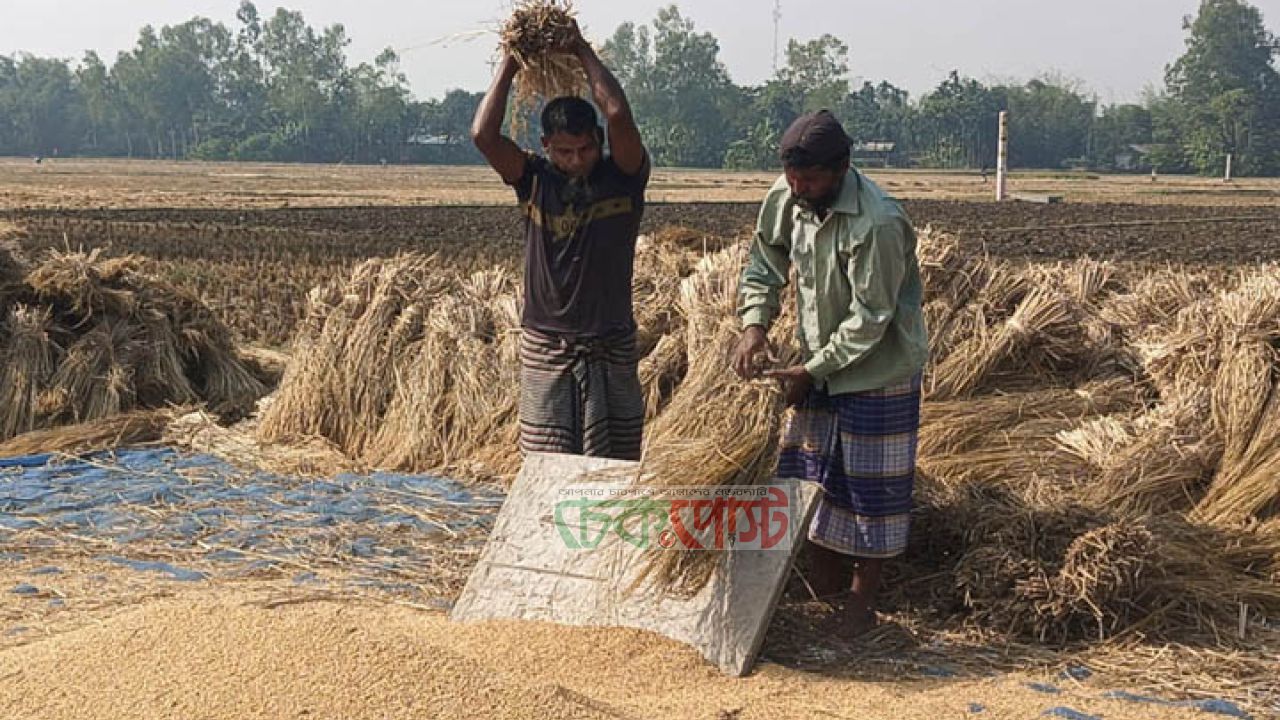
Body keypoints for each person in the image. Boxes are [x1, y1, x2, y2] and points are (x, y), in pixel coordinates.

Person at [731, 110, 928, 634]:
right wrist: (755, 323)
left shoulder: (878, 223)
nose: (800, 189)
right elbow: (766, 254)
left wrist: (811, 371)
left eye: (811, 180)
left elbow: (871, 319)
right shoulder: (788, 194)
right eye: (794, 179)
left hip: (876, 370)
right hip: (813, 361)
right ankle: (823, 595)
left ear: (842, 168)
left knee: (871, 493)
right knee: (810, 480)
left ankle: (861, 608)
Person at [471, 23, 649, 461]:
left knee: (614, 468)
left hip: (610, 344)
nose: (575, 162)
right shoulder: (532, 178)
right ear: (546, 146)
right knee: (546, 468)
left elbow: (619, 116)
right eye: (564, 152)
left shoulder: (623, 178)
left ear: (598, 144)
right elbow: (483, 135)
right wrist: (513, 60)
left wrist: (582, 49)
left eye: (585, 150)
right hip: (547, 347)